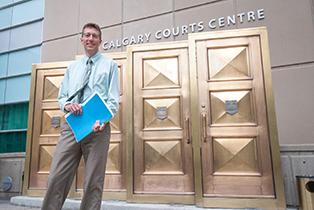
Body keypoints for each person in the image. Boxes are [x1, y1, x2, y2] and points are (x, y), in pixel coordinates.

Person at [41, 23, 119, 210]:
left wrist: (104, 120)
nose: (90, 38)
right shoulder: (72, 68)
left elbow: (113, 99)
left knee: (93, 180)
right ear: (82, 39)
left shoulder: (110, 65)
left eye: (94, 36)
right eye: (87, 35)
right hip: (72, 125)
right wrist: (67, 105)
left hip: (97, 127)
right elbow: (61, 97)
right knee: (57, 176)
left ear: (100, 40)